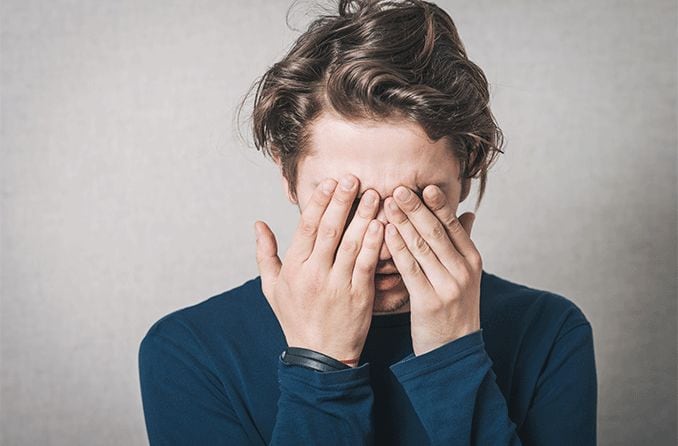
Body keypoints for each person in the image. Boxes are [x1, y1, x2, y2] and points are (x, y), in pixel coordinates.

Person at [138, 0, 597, 444]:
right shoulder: (189, 351)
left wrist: (453, 359)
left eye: (413, 200)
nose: (379, 241)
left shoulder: (549, 332)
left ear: (467, 170)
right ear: (287, 175)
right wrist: (321, 368)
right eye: (349, 200)